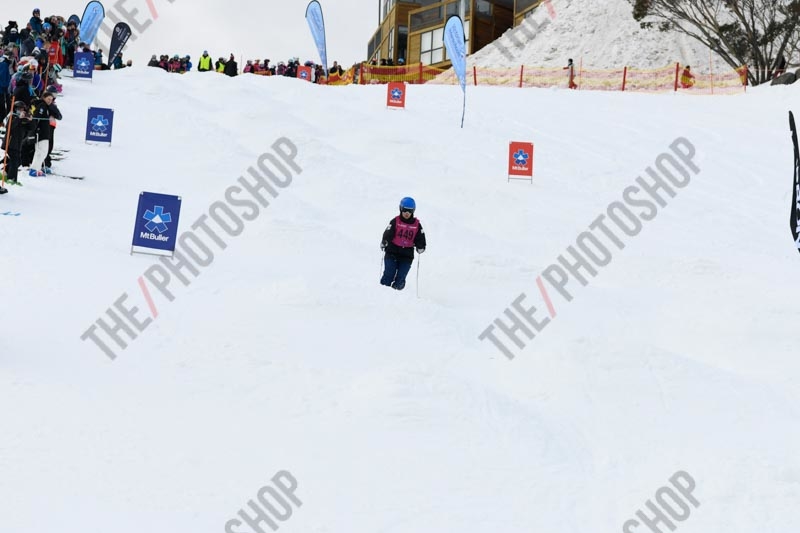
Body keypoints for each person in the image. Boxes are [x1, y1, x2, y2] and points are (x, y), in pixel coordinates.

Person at [380, 197, 426, 291]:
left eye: (410, 211)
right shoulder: (395, 221)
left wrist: (421, 246)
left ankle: (397, 292)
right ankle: (383, 291)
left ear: (413, 211)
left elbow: (420, 237)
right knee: (389, 273)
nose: (407, 213)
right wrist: (385, 241)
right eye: (404, 210)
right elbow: (388, 233)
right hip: (392, 252)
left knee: (400, 277)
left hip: (406, 255)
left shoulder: (416, 225)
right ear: (400, 209)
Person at [28, 91, 61, 177]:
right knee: (40, 151)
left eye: (51, 99)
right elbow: (36, 118)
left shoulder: (47, 107)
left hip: (45, 132)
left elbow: (59, 116)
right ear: (44, 98)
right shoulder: (42, 106)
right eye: (48, 99)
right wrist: (34, 130)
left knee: (44, 151)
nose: (50, 101)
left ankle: (37, 168)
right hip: (40, 132)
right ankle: (34, 169)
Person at [3, 100, 34, 187]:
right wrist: (18, 118)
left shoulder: (23, 119)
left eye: (22, 109)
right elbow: (9, 126)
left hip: (18, 144)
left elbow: (31, 128)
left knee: (18, 161)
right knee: (14, 161)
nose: (21, 110)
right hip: (10, 143)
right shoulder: (12, 116)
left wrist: (30, 120)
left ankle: (6, 172)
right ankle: (11, 178)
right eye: (19, 108)